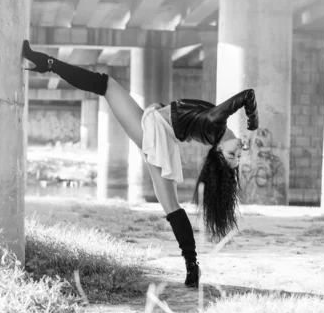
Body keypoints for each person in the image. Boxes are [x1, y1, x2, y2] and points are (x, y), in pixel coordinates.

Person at [23, 40, 258, 289]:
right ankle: (192, 266)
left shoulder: (216, 122)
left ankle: (47, 62)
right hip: (158, 128)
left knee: (106, 84)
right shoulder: (218, 127)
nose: (238, 153)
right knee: (171, 205)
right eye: (237, 157)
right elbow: (217, 105)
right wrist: (250, 129)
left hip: (156, 134)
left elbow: (247, 96)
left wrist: (252, 127)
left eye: (231, 157)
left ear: (219, 151)